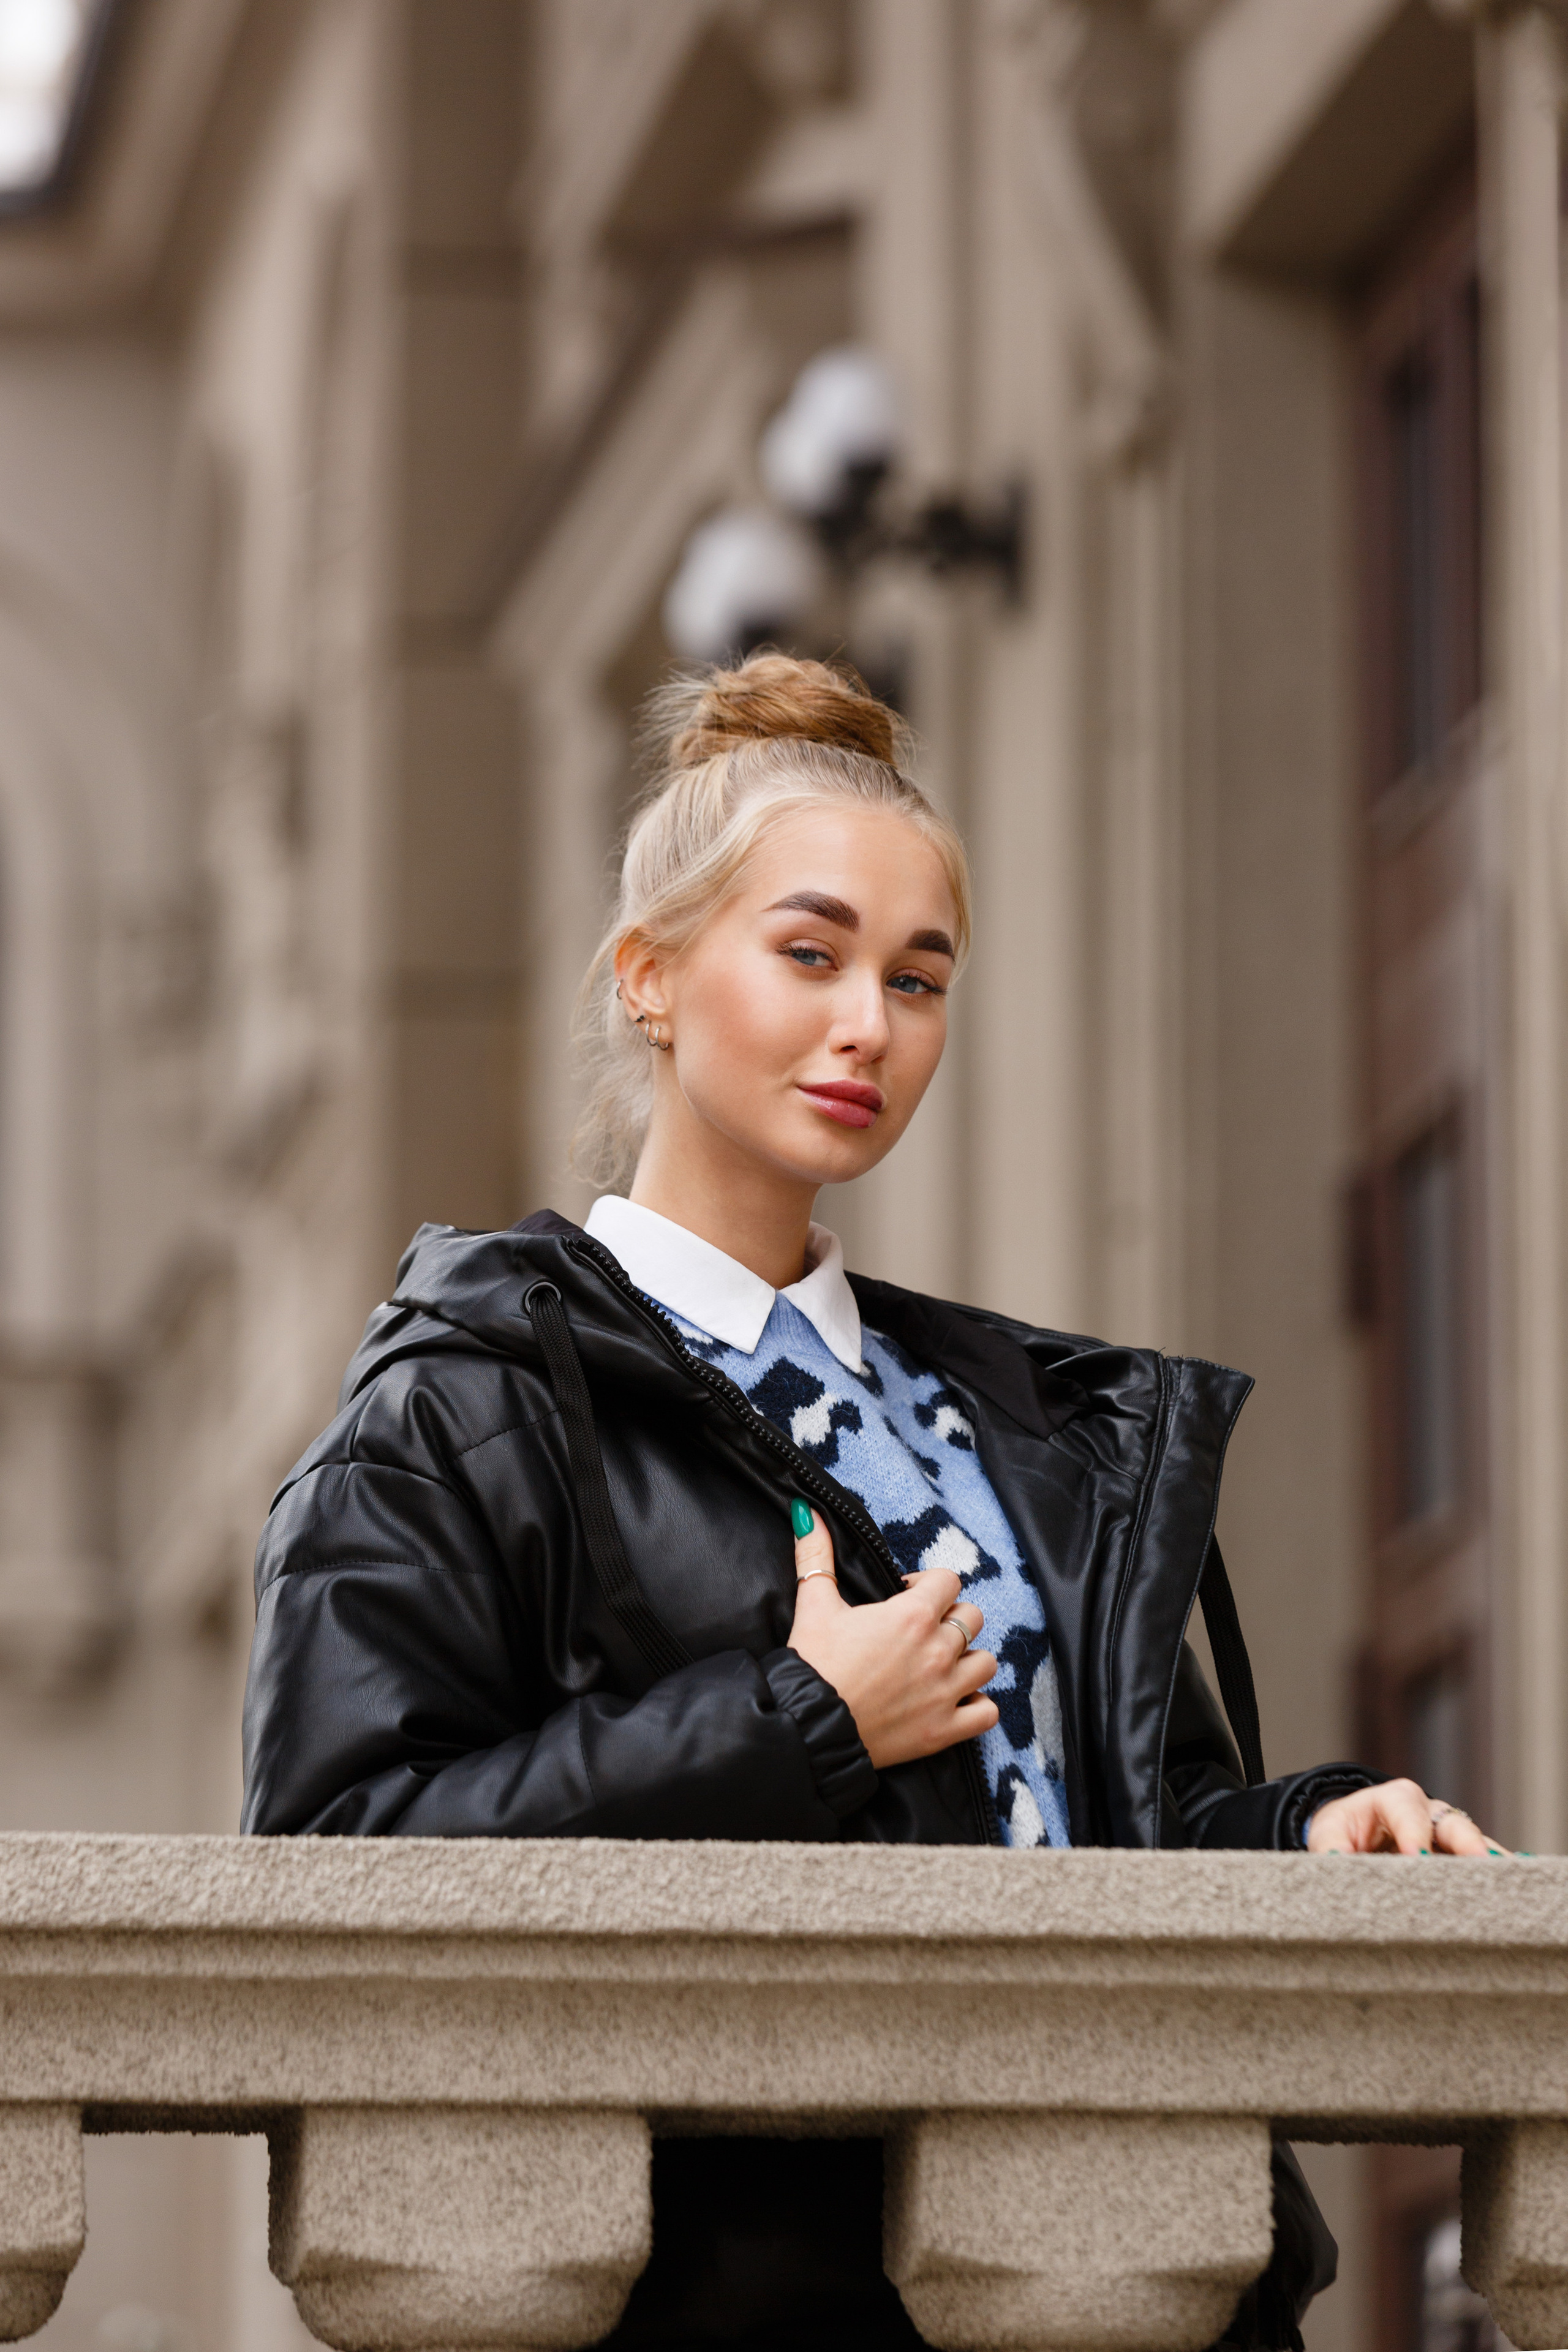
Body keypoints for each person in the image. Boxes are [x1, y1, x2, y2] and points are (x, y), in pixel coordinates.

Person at [241, 653, 1504, 2350]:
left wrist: (1305, 1833)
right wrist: (801, 1720)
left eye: (920, 980)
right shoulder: (465, 1408)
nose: (869, 1028)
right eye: (812, 955)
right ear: (654, 978)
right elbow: (335, 1861)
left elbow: (1120, 1821)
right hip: (753, 2297)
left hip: (1133, 2275)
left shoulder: (1028, 1423)